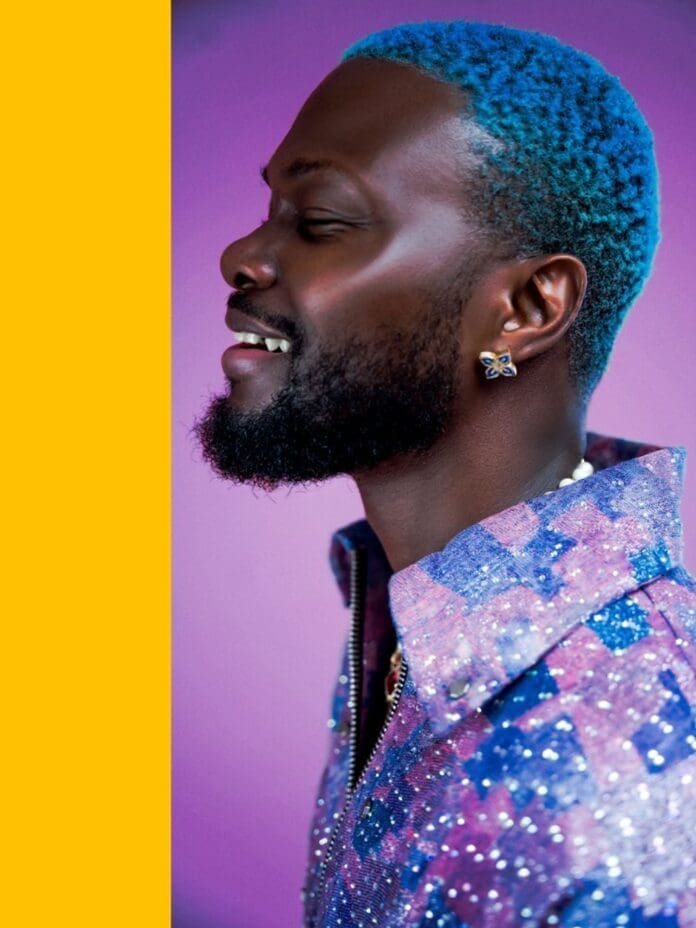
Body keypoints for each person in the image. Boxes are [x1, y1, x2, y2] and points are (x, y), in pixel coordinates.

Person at [193, 20, 696, 928]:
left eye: (320, 223)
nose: (244, 257)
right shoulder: (416, 620)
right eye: (271, 210)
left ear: (524, 310)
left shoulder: (624, 780)